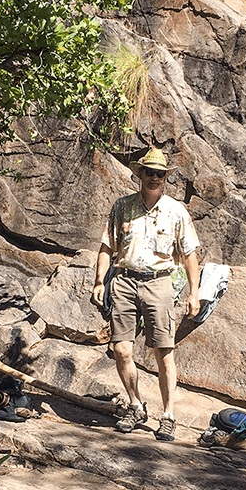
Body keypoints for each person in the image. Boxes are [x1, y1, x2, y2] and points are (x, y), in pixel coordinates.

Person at [90, 148, 200, 443]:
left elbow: (190, 254)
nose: (154, 177)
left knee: (164, 352)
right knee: (122, 349)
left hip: (159, 283)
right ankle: (136, 405)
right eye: (149, 172)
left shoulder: (176, 211)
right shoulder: (122, 207)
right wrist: (99, 281)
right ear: (140, 174)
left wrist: (194, 293)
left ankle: (168, 416)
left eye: (159, 173)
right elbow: (106, 246)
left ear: (166, 177)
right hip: (124, 281)